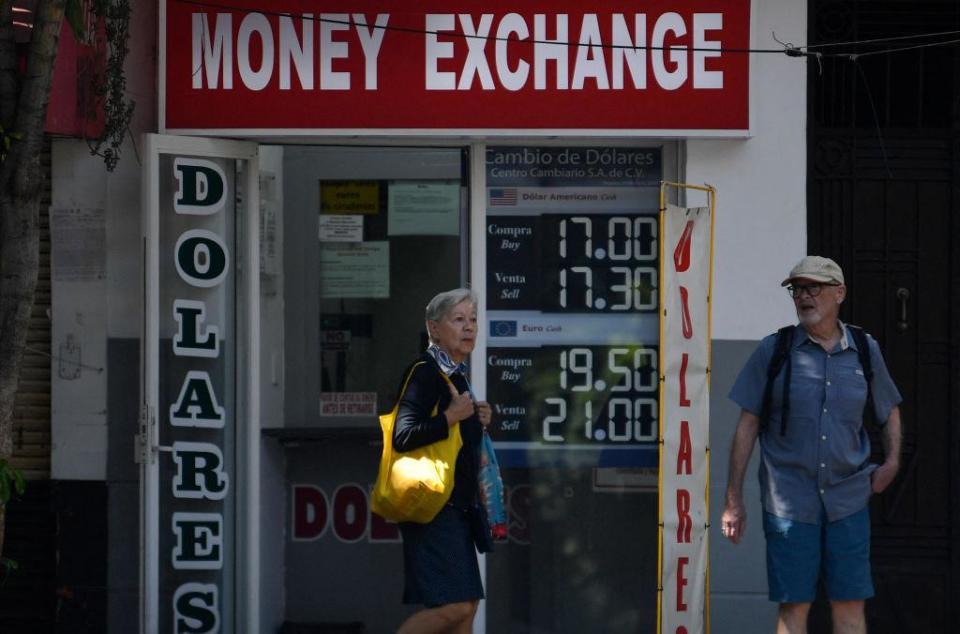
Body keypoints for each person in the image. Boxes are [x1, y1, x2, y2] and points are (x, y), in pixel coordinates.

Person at [721, 256, 903, 634]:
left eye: (813, 288)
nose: (804, 297)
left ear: (839, 293)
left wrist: (893, 462)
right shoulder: (775, 350)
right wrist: (733, 499)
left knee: (849, 604)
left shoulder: (866, 351)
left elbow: (889, 411)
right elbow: (746, 425)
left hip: (849, 498)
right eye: (797, 289)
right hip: (789, 501)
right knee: (794, 605)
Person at [393, 288, 493, 634]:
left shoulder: (455, 374)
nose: (469, 328)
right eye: (458, 319)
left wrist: (475, 421)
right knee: (455, 606)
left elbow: (456, 436)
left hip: (457, 507)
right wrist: (452, 417)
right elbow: (402, 435)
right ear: (434, 329)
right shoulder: (424, 372)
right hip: (433, 506)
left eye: (473, 320)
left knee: (466, 609)